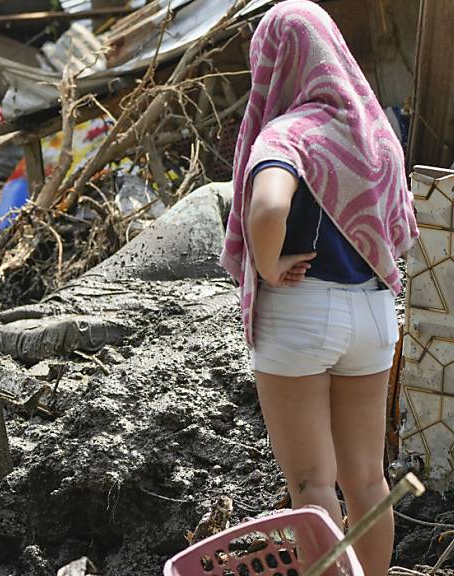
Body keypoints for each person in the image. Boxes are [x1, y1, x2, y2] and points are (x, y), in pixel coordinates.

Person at [220, 2, 418, 575]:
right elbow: (400, 226)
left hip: (301, 315)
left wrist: (267, 260)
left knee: (312, 484)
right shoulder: (378, 131)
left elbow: (268, 206)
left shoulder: (289, 131)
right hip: (375, 313)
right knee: (367, 478)